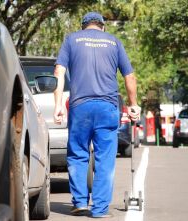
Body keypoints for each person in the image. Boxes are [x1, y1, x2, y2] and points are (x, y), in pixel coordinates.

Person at [53, 12, 139, 218]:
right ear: (103, 26)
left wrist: (58, 105)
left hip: (80, 106)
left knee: (77, 154)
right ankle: (99, 209)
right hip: (107, 107)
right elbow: (130, 76)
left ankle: (80, 202)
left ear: (83, 26)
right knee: (105, 159)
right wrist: (133, 104)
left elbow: (59, 72)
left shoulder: (71, 39)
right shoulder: (114, 42)